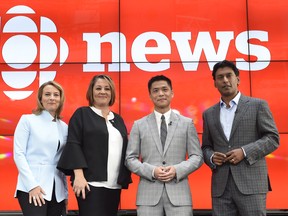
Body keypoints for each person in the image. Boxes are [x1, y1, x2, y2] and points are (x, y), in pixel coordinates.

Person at [201, 60, 280, 216]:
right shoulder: (209, 113)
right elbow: (206, 147)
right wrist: (211, 157)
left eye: (229, 75)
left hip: (251, 184)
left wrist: (244, 152)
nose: (225, 80)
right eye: (220, 77)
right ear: (215, 83)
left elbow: (272, 138)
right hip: (221, 188)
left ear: (238, 79)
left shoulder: (258, 105)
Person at [125, 75, 203, 216]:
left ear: (172, 93)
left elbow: (197, 156)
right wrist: (152, 171)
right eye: (155, 91)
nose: (160, 94)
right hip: (148, 197)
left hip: (179, 195)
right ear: (150, 95)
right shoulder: (139, 125)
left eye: (164, 89)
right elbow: (130, 159)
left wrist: (177, 169)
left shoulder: (186, 123)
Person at [57, 74, 131, 216]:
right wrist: (78, 176)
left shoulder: (118, 119)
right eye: (98, 88)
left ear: (112, 93)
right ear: (91, 91)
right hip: (89, 184)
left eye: (107, 89)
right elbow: (74, 144)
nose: (102, 92)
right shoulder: (82, 114)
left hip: (114, 185)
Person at [13, 81, 68, 216]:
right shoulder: (28, 120)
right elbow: (19, 154)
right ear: (40, 98)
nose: (52, 98)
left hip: (57, 190)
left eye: (56, 95)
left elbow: (62, 161)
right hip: (33, 186)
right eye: (47, 94)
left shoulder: (64, 126)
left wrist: (65, 194)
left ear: (60, 99)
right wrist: (32, 185)